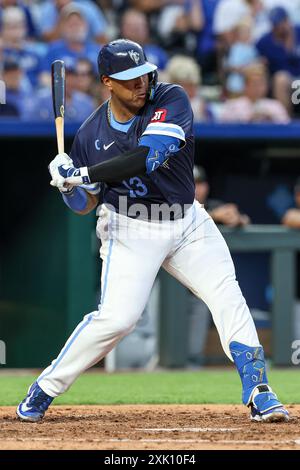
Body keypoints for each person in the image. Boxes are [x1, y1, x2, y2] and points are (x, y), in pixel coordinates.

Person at [17, 39, 289, 424]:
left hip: (186, 221)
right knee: (117, 320)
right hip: (130, 228)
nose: (141, 85)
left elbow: (146, 158)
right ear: (107, 82)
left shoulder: (171, 99)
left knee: (228, 296)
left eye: (143, 75)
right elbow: (85, 206)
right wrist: (68, 186)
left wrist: (82, 174)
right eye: (129, 80)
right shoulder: (89, 136)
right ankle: (44, 388)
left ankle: (259, 390)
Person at [256, 6, 300, 115]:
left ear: (287, 21)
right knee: (281, 79)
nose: (276, 27)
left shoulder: (298, 32)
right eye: (274, 24)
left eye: (279, 23)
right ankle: (286, 123)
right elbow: (256, 63)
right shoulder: (265, 42)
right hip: (283, 82)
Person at [220, 63, 290, 123]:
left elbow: (286, 127)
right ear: (245, 86)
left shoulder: (275, 106)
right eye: (254, 84)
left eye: (261, 84)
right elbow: (223, 128)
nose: (257, 88)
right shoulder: (232, 105)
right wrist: (248, 120)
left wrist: (271, 119)